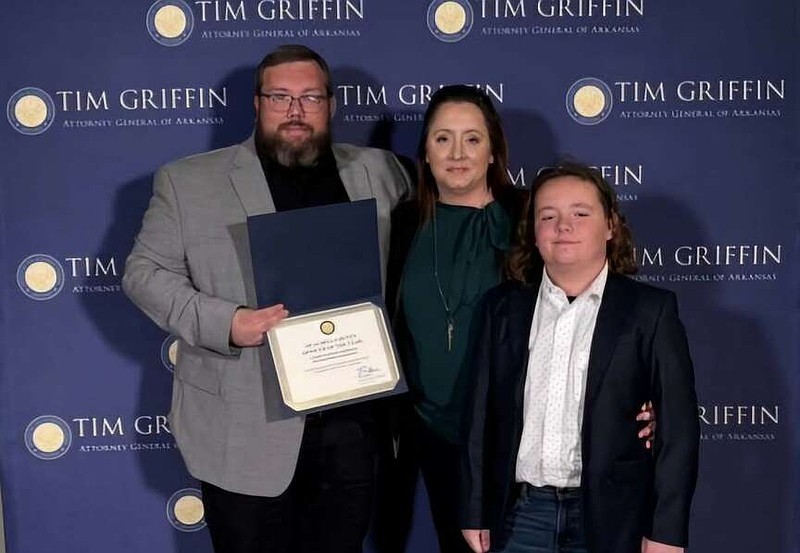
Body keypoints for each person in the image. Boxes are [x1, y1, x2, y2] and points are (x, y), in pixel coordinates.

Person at [122, 44, 411, 553]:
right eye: (280, 97)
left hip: (351, 428)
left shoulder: (381, 172)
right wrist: (227, 322)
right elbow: (144, 274)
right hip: (244, 429)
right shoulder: (188, 182)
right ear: (257, 104)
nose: (295, 110)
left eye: (310, 97)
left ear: (331, 104)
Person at [380, 87, 655, 553]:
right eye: (443, 139)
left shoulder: (532, 213)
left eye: (472, 139)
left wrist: (643, 390)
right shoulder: (403, 222)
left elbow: (608, 306)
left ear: (493, 150)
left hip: (518, 433)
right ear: (424, 151)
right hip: (434, 430)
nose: (457, 153)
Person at [460, 162, 700, 553]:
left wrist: (666, 530)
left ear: (610, 226)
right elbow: (477, 416)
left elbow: (678, 429)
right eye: (548, 215)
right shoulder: (501, 308)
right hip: (521, 517)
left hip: (613, 518)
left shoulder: (650, 311)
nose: (563, 226)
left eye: (580, 213)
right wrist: (473, 509)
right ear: (533, 232)